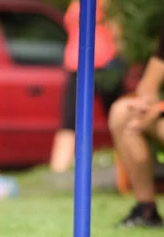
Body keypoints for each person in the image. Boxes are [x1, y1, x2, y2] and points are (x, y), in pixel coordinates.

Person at [109, 0, 164, 228]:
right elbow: (149, 84)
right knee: (122, 111)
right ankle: (146, 210)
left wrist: (160, 109)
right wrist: (145, 104)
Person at [49, 0, 125, 173]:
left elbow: (118, 31)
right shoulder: (75, 3)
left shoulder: (107, 3)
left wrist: (120, 61)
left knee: (118, 119)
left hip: (105, 65)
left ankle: (128, 169)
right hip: (75, 66)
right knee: (69, 120)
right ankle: (57, 173)